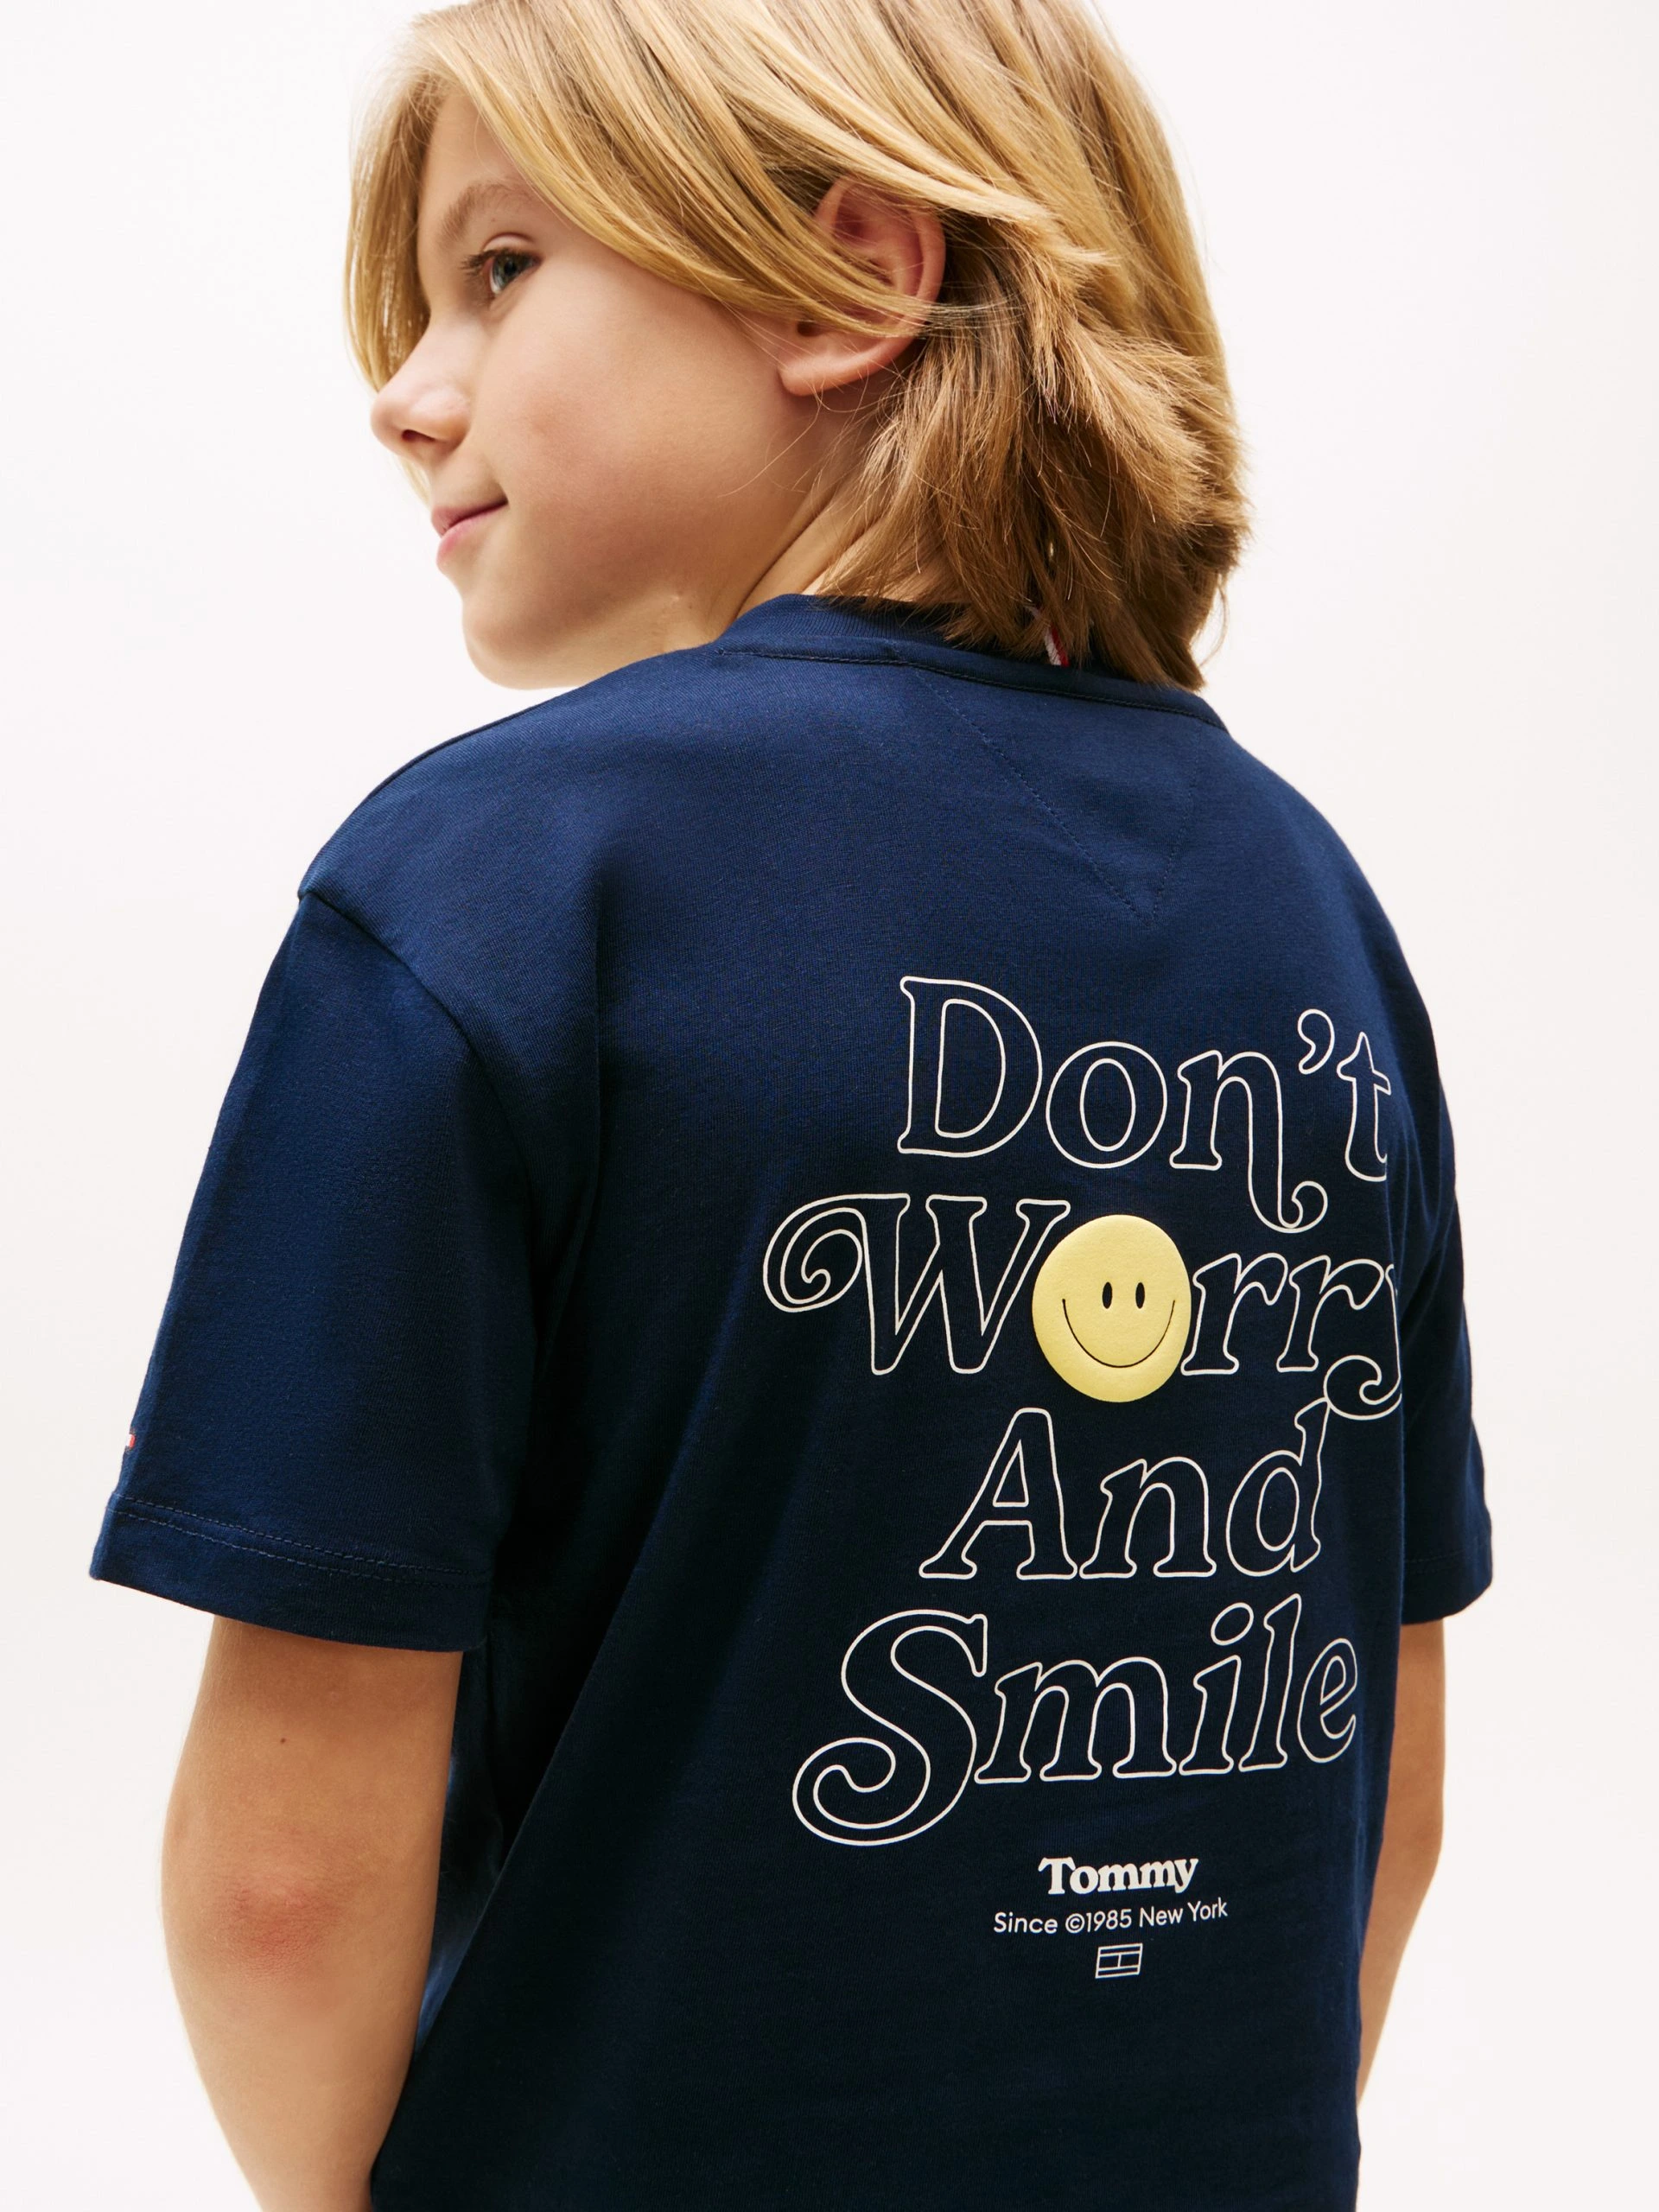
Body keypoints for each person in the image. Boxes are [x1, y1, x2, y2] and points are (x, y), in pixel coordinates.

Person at [91, 2, 1490, 2207]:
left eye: (498, 269)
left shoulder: (493, 891)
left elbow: (277, 1885)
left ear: (849, 275)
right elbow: (1384, 1784)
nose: (407, 390)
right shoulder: (1313, 914)